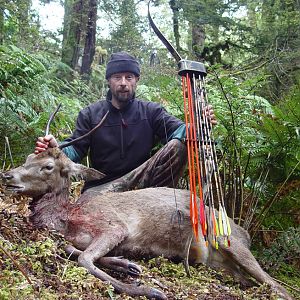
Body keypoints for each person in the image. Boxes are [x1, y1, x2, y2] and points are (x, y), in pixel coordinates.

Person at [35, 52, 216, 193]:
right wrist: (55, 149)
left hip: (142, 185)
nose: (123, 83)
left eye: (129, 77)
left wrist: (198, 125)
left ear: (136, 80)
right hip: (101, 187)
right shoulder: (90, 114)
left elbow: (179, 131)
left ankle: (159, 198)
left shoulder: (151, 111)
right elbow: (75, 150)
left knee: (178, 146)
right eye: (117, 77)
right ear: (108, 81)